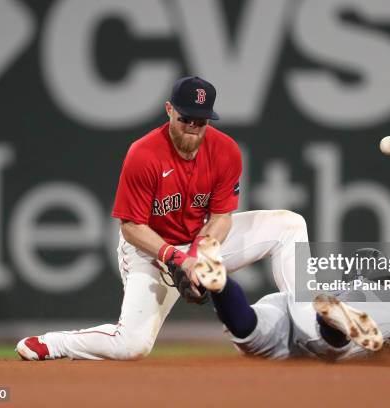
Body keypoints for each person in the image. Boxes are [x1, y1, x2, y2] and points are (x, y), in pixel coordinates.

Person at [16, 76, 308, 361]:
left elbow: (221, 218)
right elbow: (131, 227)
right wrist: (178, 259)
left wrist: (198, 256)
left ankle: (308, 327)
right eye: (185, 119)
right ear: (169, 110)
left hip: (200, 241)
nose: (192, 128)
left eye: (201, 122)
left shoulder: (226, 151)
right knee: (131, 346)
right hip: (153, 250)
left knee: (290, 225)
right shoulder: (143, 154)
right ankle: (57, 343)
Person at [198, 246, 390, 361]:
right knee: (334, 345)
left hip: (292, 303)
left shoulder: (332, 285)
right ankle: (331, 322)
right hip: (323, 330)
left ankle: (220, 284)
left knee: (248, 328)